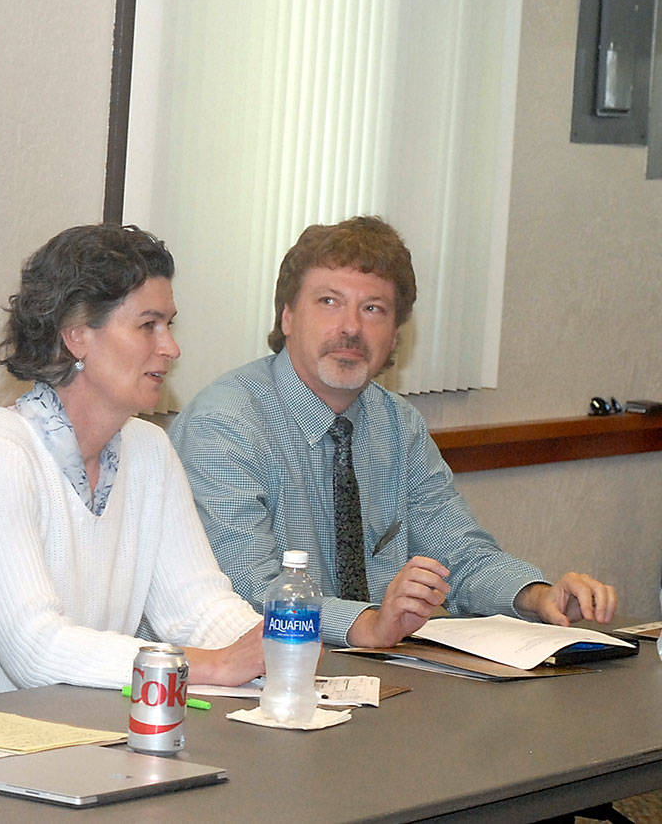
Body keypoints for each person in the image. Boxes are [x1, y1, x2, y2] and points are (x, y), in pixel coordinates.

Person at [170, 216, 617, 648]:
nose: (350, 327)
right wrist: (368, 624)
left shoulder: (397, 425)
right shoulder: (225, 423)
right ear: (287, 317)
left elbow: (458, 554)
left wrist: (537, 596)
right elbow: (244, 591)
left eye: (373, 309)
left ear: (396, 337)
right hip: (253, 681)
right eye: (329, 302)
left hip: (378, 677)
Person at [0, 225, 263, 707]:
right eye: (148, 325)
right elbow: (35, 649)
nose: (171, 348)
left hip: (84, 743)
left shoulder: (150, 451)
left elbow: (198, 608)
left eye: (169, 325)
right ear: (76, 337)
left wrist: (274, 646)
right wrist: (213, 664)